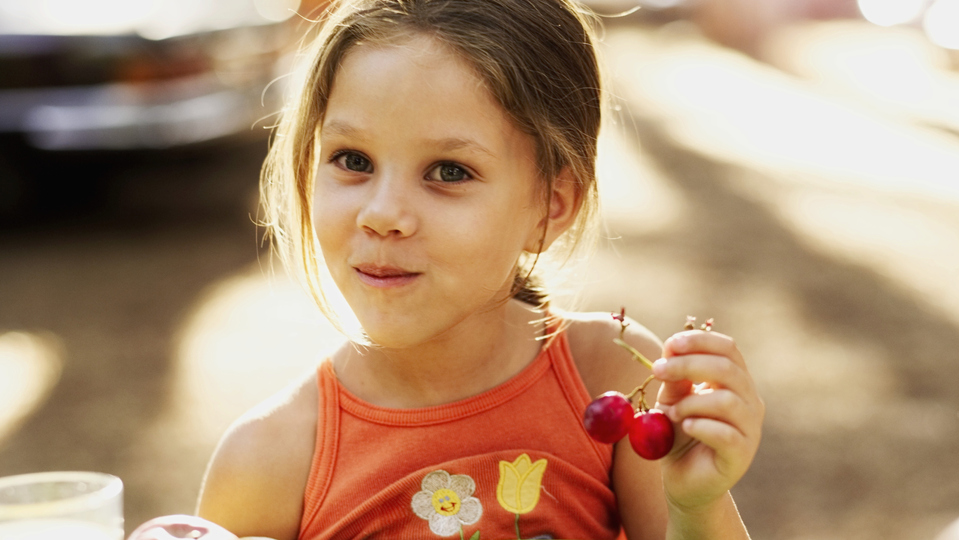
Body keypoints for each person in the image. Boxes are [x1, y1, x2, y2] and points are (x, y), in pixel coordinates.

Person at [129, 0, 764, 538]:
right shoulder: (270, 459)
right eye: (352, 159)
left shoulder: (610, 379)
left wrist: (698, 505)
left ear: (552, 204)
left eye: (449, 172)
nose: (383, 214)